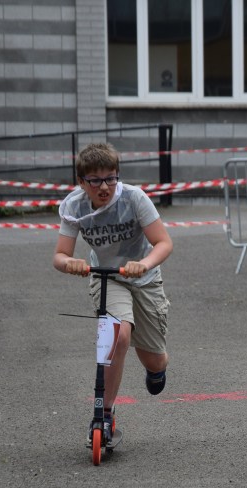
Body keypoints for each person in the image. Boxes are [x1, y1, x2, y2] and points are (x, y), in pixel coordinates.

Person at [53, 142, 174, 445]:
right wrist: (71, 263)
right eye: (95, 180)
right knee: (118, 335)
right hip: (107, 277)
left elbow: (164, 243)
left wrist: (143, 264)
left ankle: (156, 369)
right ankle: (103, 414)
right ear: (82, 182)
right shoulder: (75, 207)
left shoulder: (134, 198)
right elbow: (60, 255)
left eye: (110, 178)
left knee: (155, 360)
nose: (104, 187)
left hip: (144, 277)